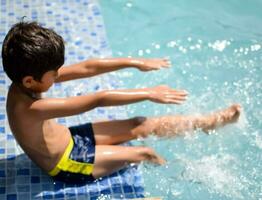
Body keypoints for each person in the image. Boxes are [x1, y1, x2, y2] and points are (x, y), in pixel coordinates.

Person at [1, 21, 241, 184]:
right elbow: (98, 99)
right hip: (66, 163)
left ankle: (208, 122)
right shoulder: (28, 108)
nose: (58, 75)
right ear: (31, 80)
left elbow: (87, 67)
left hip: (70, 139)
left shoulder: (29, 79)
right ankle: (183, 175)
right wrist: (148, 92)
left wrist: (134, 61)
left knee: (140, 124)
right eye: (54, 74)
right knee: (143, 153)